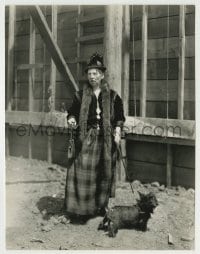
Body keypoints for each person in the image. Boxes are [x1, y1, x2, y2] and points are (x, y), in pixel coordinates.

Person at [64, 52, 125, 221]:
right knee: (81, 169)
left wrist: (117, 133)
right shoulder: (80, 96)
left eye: (95, 73)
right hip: (87, 137)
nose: (92, 77)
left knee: (103, 172)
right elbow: (72, 112)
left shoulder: (113, 96)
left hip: (106, 139)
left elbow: (119, 116)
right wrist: (71, 119)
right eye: (89, 73)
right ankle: (80, 210)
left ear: (102, 75)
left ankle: (100, 206)